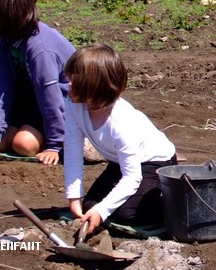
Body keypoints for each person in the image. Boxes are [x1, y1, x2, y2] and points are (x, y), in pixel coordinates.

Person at [62, 43, 177, 232]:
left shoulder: (121, 122)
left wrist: (103, 210)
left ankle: (173, 198)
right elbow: (73, 151)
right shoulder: (74, 105)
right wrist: (74, 198)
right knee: (90, 205)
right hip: (120, 162)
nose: (69, 84)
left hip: (156, 162)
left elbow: (132, 177)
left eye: (74, 79)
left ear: (94, 85)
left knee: (127, 213)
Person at [0, 0, 75, 167]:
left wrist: (56, 145)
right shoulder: (4, 39)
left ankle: (59, 136)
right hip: (30, 100)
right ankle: (27, 132)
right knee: (2, 143)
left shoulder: (41, 48)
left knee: (23, 145)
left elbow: (51, 97)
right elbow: (3, 85)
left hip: (66, 102)